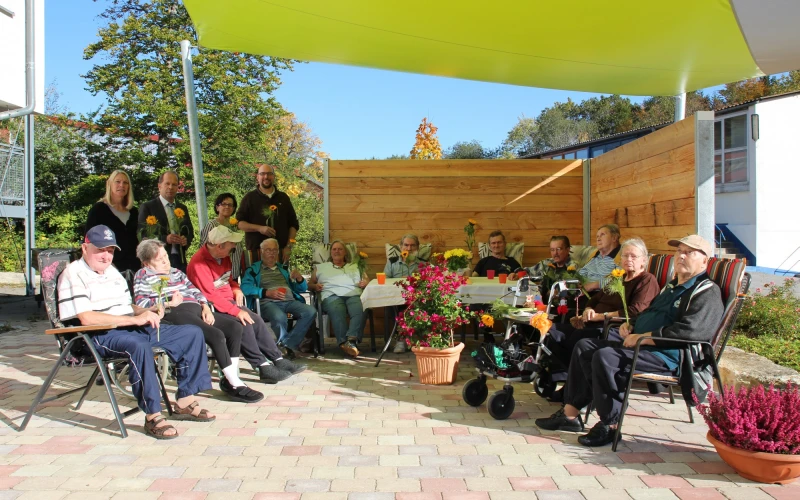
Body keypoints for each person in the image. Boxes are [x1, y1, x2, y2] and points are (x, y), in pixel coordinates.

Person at [535, 235, 723, 448]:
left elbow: (691, 332)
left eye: (689, 252)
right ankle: (570, 416)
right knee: (584, 347)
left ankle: (610, 425)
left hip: (669, 355)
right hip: (643, 344)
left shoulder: (706, 291)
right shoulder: (671, 287)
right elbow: (648, 312)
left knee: (605, 357)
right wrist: (631, 325)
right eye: (679, 250)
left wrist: (644, 338)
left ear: (705, 261)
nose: (681, 256)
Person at [57, 225, 215, 440]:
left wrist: (147, 311)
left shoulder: (111, 271)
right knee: (138, 346)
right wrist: (133, 320)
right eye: (100, 250)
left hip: (130, 326)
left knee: (191, 333)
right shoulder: (74, 274)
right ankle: (153, 415)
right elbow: (87, 318)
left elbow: (128, 306)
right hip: (98, 334)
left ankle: (185, 401)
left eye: (110, 250)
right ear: (85, 248)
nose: (106, 256)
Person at [133, 239, 264, 403]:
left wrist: (206, 307)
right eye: (160, 260)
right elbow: (141, 304)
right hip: (174, 312)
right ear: (147, 263)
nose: (166, 261)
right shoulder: (143, 276)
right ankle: (235, 384)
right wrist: (167, 303)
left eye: (165, 256)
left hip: (196, 310)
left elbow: (195, 291)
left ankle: (231, 377)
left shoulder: (176, 272)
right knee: (215, 335)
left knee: (234, 328)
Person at [542, 238, 661, 403]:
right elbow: (595, 298)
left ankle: (575, 392)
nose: (628, 260)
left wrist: (600, 316)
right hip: (593, 322)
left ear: (644, 260)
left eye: (634, 256)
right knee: (550, 331)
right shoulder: (617, 278)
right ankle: (565, 381)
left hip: (614, 328)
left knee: (578, 339)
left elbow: (635, 311)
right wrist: (589, 309)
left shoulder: (646, 280)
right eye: (625, 256)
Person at [187, 225, 305, 383]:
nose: (234, 247)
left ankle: (277, 359)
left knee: (257, 320)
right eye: (231, 245)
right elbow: (210, 295)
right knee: (245, 323)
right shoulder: (198, 264)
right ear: (219, 245)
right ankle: (262, 366)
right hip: (211, 307)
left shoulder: (223, 256)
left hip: (228, 302)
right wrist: (236, 311)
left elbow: (229, 280)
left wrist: (236, 289)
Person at [241, 238, 317, 360]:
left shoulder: (283, 269)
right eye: (268, 250)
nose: (271, 253)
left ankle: (287, 345)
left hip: (290, 301)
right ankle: (287, 346)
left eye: (274, 250)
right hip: (268, 303)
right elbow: (245, 288)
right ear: (262, 252)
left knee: (310, 311)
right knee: (279, 317)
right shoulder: (253, 270)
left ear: (277, 252)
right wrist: (266, 292)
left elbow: (301, 289)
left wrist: (299, 279)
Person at [308, 240, 367, 358]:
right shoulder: (321, 267)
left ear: (345, 252)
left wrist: (365, 283)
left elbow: (366, 280)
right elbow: (310, 284)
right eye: (334, 249)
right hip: (331, 295)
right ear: (331, 253)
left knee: (361, 307)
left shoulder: (355, 266)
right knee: (337, 309)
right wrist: (315, 286)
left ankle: (351, 340)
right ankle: (345, 342)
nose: (337, 251)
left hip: (353, 294)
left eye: (340, 249)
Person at [236, 163, 300, 266]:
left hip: (280, 253)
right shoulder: (249, 198)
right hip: (256, 254)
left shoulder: (283, 198)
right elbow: (239, 223)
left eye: (269, 174)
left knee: (280, 281)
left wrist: (289, 247)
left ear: (274, 176)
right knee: (257, 282)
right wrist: (259, 228)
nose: (266, 177)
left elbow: (294, 224)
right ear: (257, 177)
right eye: (262, 174)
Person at [86, 169, 141, 273]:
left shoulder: (134, 212)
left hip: (134, 266)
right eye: (118, 181)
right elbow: (89, 241)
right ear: (110, 184)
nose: (122, 185)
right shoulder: (98, 210)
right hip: (108, 266)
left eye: (125, 182)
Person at [138, 171, 194, 272]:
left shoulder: (182, 208)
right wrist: (165, 239)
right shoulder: (148, 207)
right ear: (159, 186)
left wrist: (185, 240)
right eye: (167, 183)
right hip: (157, 260)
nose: (170, 187)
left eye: (174, 184)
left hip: (179, 259)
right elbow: (142, 234)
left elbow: (189, 231)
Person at [384, 234, 422, 353]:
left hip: (416, 297)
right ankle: (403, 340)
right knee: (400, 307)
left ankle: (406, 339)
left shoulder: (422, 263)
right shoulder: (392, 262)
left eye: (412, 245)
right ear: (401, 247)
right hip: (396, 297)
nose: (409, 249)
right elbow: (385, 281)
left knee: (412, 306)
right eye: (406, 245)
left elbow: (428, 282)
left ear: (418, 247)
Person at [200, 193, 245, 280]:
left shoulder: (234, 226)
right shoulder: (212, 225)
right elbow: (204, 250)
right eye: (223, 204)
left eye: (230, 205)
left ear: (234, 208)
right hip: (218, 275)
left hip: (234, 274)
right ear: (217, 207)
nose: (227, 207)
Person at [528, 235, 574, 305]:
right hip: (540, 303)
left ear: (567, 250)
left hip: (562, 306)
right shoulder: (546, 264)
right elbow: (528, 272)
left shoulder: (573, 267)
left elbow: (573, 291)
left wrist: (557, 292)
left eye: (558, 249)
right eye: (552, 250)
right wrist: (516, 274)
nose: (555, 253)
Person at [578, 224, 622, 293]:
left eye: (602, 234)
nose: (598, 239)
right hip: (584, 292)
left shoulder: (621, 255)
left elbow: (620, 279)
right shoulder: (594, 254)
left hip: (603, 294)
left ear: (614, 238)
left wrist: (593, 285)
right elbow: (582, 272)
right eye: (597, 236)